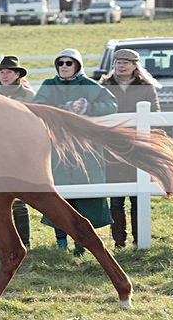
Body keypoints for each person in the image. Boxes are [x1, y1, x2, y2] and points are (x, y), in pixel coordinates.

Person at [33, 48, 118, 256]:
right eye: (60, 63)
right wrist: (64, 107)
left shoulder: (90, 86)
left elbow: (111, 104)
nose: (63, 66)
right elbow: (37, 106)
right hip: (57, 148)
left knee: (85, 196)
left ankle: (82, 244)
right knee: (59, 197)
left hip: (85, 149)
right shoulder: (48, 85)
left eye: (68, 63)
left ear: (77, 65)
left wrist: (89, 107)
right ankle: (61, 243)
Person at [100, 48, 160, 248]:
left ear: (135, 66)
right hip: (113, 148)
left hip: (138, 148)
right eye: (118, 62)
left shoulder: (146, 87)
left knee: (138, 197)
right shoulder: (105, 86)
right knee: (116, 198)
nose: (121, 65)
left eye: (126, 62)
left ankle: (138, 239)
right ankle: (119, 241)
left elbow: (154, 114)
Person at [0, 55, 36, 247]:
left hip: (20, 152)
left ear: (17, 74)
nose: (4, 76)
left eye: (8, 72)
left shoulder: (29, 96)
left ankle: (24, 241)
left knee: (18, 199)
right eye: (2, 72)